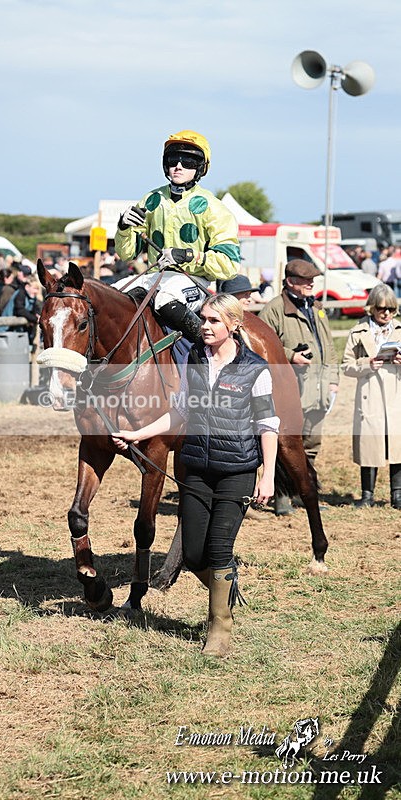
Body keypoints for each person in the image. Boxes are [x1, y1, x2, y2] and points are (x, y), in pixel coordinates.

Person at [112, 293, 279, 658]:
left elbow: (267, 424)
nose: (204, 326)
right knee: (192, 553)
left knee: (219, 548)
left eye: (213, 321)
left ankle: (220, 627)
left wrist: (267, 476)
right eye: (203, 319)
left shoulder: (255, 369)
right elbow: (180, 410)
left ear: (233, 325)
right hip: (197, 468)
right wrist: (137, 435)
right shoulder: (193, 359)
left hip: (237, 470)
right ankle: (227, 589)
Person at [113, 130, 240, 341]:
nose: (179, 166)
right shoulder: (151, 200)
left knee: (166, 298)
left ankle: (203, 351)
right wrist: (123, 228)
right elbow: (126, 254)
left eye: (188, 161)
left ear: (200, 167)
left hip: (195, 280)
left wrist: (189, 255)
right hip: (156, 276)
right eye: (174, 159)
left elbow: (230, 265)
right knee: (111, 295)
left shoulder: (214, 208)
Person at [259, 259, 339, 515]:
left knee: (312, 442)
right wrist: (290, 355)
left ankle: (306, 492)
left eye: (312, 279)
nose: (311, 283)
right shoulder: (273, 310)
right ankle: (283, 498)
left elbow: (328, 346)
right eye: (306, 279)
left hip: (320, 388)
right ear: (291, 281)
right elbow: (260, 347)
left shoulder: (317, 307)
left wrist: (334, 378)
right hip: (290, 389)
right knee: (288, 443)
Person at [342, 284, 401, 509]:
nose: (386, 314)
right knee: (369, 442)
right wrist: (366, 363)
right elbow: (346, 365)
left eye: (391, 310)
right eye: (381, 309)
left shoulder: (399, 330)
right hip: (370, 392)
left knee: (397, 442)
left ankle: (397, 494)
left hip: (396, 393)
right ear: (372, 308)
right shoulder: (358, 331)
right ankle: (367, 494)